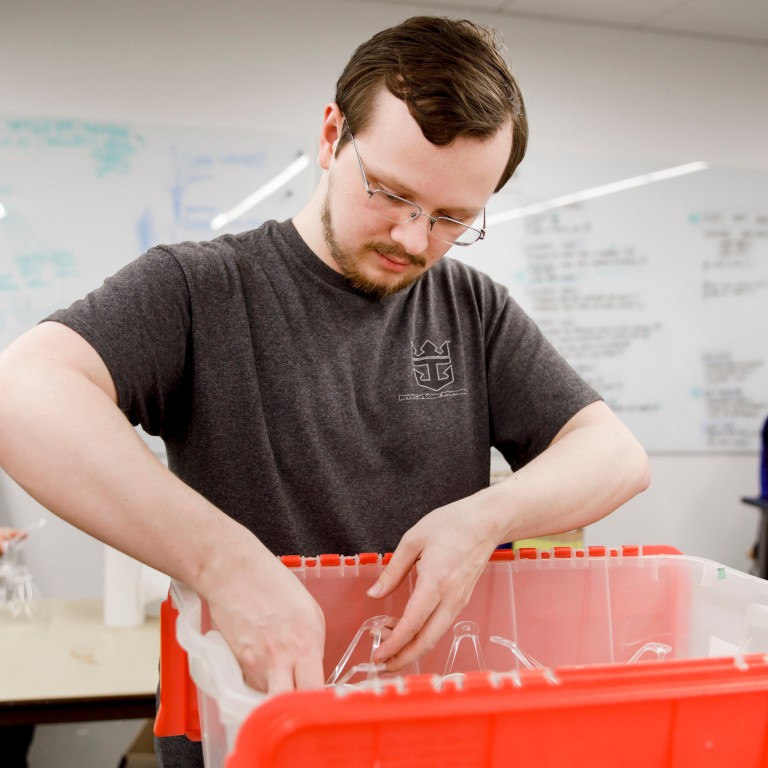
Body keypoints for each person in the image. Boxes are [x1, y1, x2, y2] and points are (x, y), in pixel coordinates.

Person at [0, 15, 650, 767]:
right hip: (253, 726)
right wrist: (226, 567)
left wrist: (485, 517)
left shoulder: (471, 307)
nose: (413, 239)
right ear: (331, 134)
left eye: (451, 219)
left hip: (426, 731)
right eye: (390, 192)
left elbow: (615, 454)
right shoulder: (201, 288)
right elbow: (23, 391)